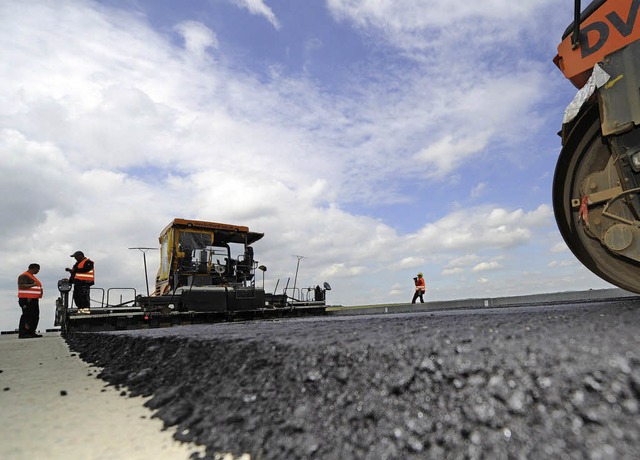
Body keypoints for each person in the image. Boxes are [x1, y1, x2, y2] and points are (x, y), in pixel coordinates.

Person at [17, 263, 43, 338]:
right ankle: (24, 333)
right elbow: (21, 285)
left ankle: (31, 332)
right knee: (27, 316)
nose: (38, 271)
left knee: (34, 316)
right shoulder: (24, 276)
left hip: (33, 300)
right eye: (38, 269)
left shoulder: (31, 276)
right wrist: (33, 284)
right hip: (27, 300)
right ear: (34, 268)